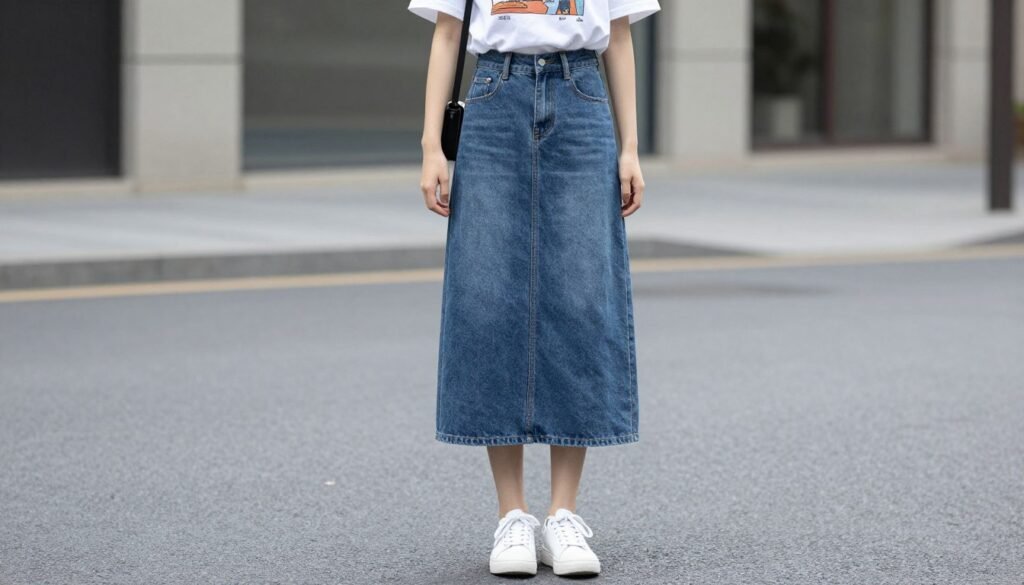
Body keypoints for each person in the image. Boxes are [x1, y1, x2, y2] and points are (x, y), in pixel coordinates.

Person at [408, 0, 660, 577]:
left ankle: (564, 514)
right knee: (492, 299)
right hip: (496, 98)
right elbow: (447, 36)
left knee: (580, 300)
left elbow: (618, 40)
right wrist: (432, 148)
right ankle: (512, 515)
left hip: (583, 97)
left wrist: (630, 148)